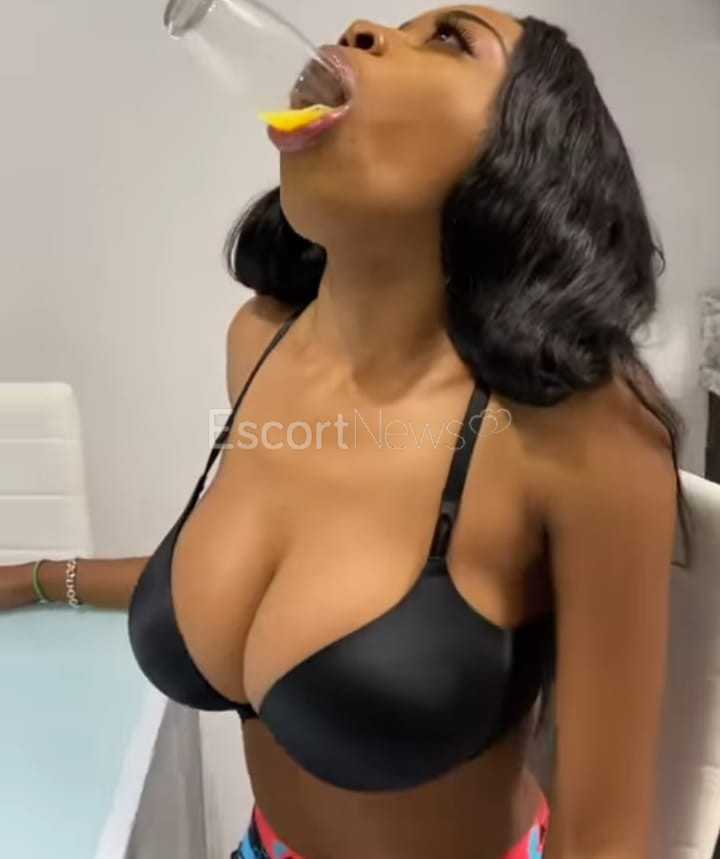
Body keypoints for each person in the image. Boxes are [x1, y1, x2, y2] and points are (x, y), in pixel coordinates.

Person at [0, 6, 690, 859]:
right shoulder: (259, 342)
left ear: (529, 157)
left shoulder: (582, 430)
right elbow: (263, 583)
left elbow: (606, 840)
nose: (363, 27)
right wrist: (35, 579)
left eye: (451, 39)